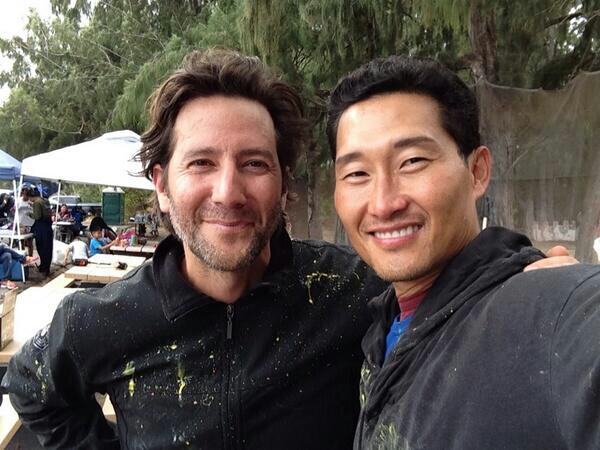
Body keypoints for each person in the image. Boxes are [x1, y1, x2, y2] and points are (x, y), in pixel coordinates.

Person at [1, 50, 575, 449]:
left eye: (254, 163)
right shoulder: (103, 319)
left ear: (283, 185)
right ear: (162, 184)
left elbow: (447, 272)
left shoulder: (351, 288)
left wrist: (525, 273)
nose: (228, 192)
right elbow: (30, 387)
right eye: (201, 163)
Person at [327, 55, 600, 449]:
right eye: (357, 173)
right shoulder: (381, 327)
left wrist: (564, 297)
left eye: (412, 161)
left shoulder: (545, 310)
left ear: (477, 171)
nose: (383, 203)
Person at [21, 186, 53, 277]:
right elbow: (44, 211)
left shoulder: (36, 203)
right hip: (48, 227)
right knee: (48, 248)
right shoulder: (45, 200)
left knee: (41, 248)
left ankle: (44, 268)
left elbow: (37, 216)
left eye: (29, 199)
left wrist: (29, 214)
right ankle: (46, 267)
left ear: (31, 197)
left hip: (41, 228)